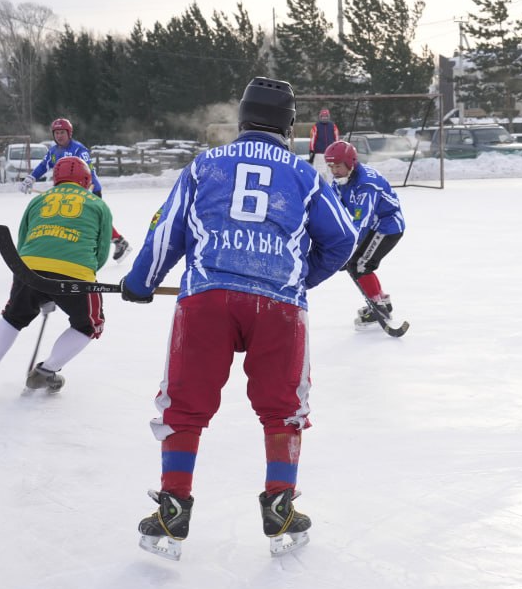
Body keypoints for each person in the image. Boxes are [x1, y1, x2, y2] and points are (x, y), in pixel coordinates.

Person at [121, 77, 358, 560]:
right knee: (283, 408)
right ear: (288, 125)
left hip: (207, 298)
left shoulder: (204, 164)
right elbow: (344, 240)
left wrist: (141, 281)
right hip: (279, 308)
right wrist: (296, 278)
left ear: (243, 118)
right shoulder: (304, 175)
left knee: (185, 406)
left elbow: (167, 232)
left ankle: (172, 511)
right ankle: (280, 510)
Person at [0, 156, 113, 394]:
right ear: (86, 180)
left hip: (28, 270)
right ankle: (46, 372)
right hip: (76, 273)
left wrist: (42, 287)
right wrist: (72, 279)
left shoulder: (38, 201)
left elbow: (23, 241)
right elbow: (102, 252)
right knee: (90, 325)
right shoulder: (98, 204)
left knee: (13, 316)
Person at [21, 117, 132, 261]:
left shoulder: (79, 149)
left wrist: (87, 191)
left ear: (69, 133)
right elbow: (44, 166)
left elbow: (90, 171)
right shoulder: (53, 151)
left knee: (92, 220)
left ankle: (119, 241)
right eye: (56, 133)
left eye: (62, 132)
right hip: (68, 190)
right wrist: (31, 178)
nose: (59, 136)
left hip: (89, 189)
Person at [323, 140, 406, 328]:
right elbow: (336, 210)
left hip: (387, 226)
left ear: (350, 163)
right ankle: (381, 301)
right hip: (373, 227)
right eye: (331, 167)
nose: (335, 171)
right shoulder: (341, 181)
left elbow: (362, 221)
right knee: (357, 263)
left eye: (338, 166)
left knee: (360, 264)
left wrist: (346, 249)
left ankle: (377, 307)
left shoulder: (366, 184)